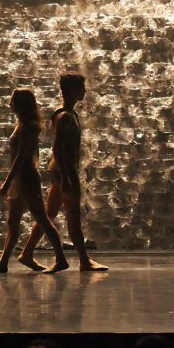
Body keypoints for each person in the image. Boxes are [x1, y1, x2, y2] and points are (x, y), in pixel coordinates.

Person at [18, 74, 107, 272]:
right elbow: (57, 148)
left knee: (49, 213)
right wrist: (67, 177)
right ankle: (84, 260)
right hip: (65, 170)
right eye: (81, 87)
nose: (85, 91)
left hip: (60, 169)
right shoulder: (65, 116)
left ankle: (27, 252)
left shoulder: (67, 114)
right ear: (72, 90)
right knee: (73, 216)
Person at [0, 88, 68, 274]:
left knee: (42, 219)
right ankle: (3, 262)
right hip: (20, 177)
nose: (9, 104)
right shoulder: (21, 123)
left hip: (26, 177)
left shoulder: (29, 126)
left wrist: (7, 181)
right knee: (13, 221)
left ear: (22, 104)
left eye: (13, 101)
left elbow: (22, 156)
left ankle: (61, 259)